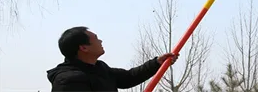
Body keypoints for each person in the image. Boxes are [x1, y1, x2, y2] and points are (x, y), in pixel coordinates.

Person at [47, 26, 179, 92]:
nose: (100, 41)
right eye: (96, 38)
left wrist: (157, 63)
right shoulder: (68, 81)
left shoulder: (99, 68)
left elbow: (129, 77)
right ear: (84, 48)